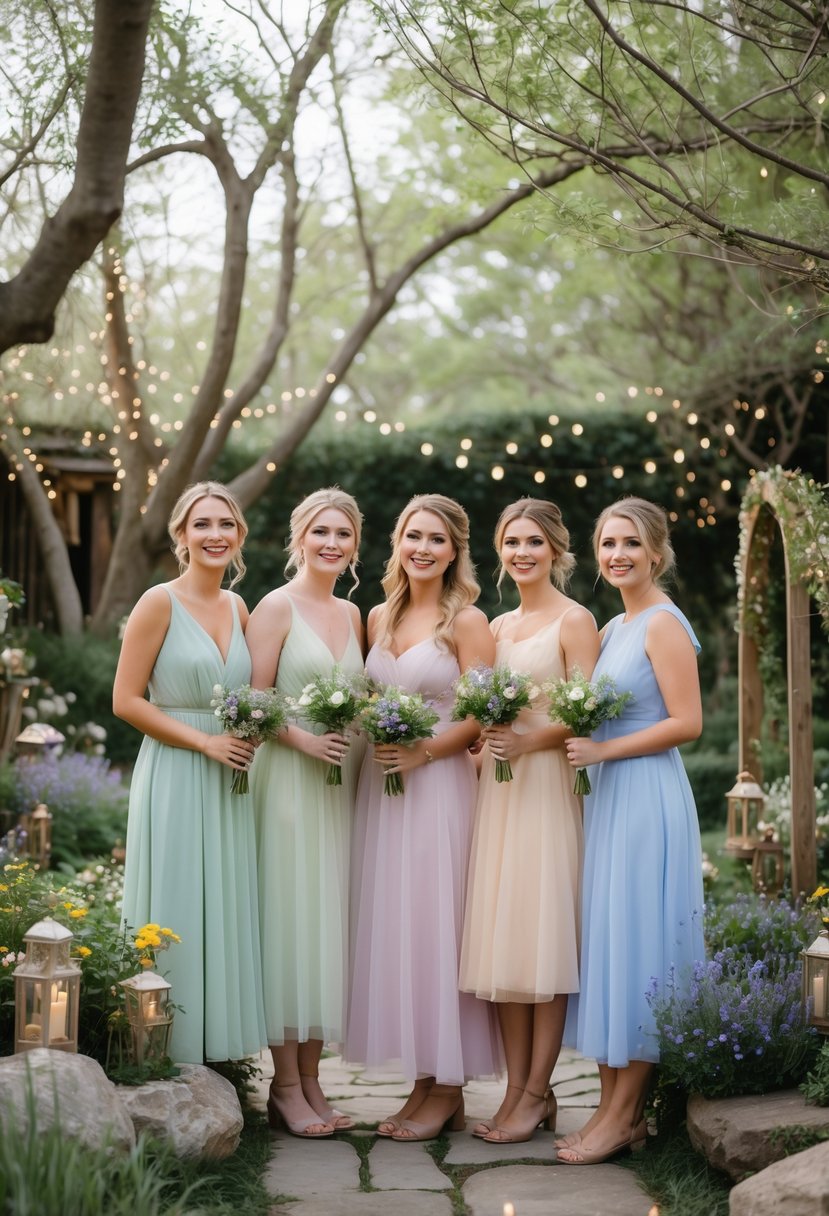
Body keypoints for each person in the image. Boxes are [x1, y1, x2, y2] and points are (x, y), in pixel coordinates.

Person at [346, 493, 501, 1141]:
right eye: (414, 535)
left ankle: (448, 1087)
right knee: (401, 927)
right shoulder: (378, 616)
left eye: (437, 539)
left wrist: (424, 752)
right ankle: (422, 1081)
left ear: (454, 550)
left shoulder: (467, 621)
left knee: (439, 926)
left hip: (437, 786)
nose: (423, 548)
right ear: (398, 542)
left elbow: (482, 713)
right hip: (381, 791)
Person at [558, 496, 704, 1165]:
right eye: (608, 544)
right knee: (611, 945)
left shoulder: (662, 623)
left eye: (630, 544)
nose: (617, 555)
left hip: (646, 796)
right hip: (610, 797)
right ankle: (609, 1109)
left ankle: (624, 1117)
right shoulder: (616, 625)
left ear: (656, 552)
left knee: (640, 945)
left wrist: (604, 750)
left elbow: (686, 722)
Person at [459, 498, 599, 1144]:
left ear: (556, 550)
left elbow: (585, 712)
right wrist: (479, 746)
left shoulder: (575, 620)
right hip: (499, 792)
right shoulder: (496, 625)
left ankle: (536, 1091)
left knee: (543, 938)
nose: (522, 552)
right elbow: (481, 713)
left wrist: (526, 742)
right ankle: (518, 1092)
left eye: (534, 542)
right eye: (512, 542)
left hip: (545, 788)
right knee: (507, 946)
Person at [115, 481, 266, 1065]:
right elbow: (126, 701)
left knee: (222, 901)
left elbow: (251, 694)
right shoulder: (158, 602)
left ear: (239, 535)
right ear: (181, 534)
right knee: (176, 898)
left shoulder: (238, 607)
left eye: (225, 524)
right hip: (177, 769)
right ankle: (162, 1047)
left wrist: (252, 729)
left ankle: (218, 1055)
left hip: (229, 777)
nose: (215, 535)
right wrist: (204, 741)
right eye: (202, 524)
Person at [246, 488, 365, 1139]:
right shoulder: (275, 607)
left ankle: (313, 1080)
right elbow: (255, 702)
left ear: (354, 545)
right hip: (289, 783)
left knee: (325, 930)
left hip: (338, 787)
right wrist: (305, 741)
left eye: (343, 534)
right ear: (300, 537)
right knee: (291, 926)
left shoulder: (352, 613)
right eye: (321, 531)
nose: (331, 543)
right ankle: (284, 1086)